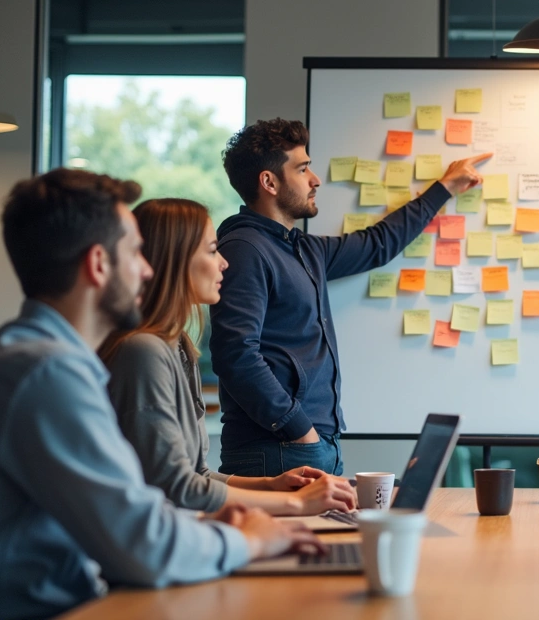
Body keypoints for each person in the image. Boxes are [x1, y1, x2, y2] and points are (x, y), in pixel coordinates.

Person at [0, 169, 323, 620]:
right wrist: (247, 541)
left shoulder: (37, 357)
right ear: (99, 264)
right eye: (135, 252)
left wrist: (208, 528)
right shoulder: (46, 372)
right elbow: (144, 544)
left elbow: (135, 515)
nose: (148, 269)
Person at [210, 118, 488, 476]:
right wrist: (299, 428)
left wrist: (445, 187)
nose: (315, 180)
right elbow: (236, 354)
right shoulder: (246, 249)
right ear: (269, 182)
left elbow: (377, 244)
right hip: (278, 448)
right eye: (303, 169)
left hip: (308, 444)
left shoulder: (302, 249)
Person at [100, 198, 357, 516]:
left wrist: (271, 484)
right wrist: (298, 502)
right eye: (212, 251)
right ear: (176, 259)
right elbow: (176, 487)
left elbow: (198, 475)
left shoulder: (180, 346)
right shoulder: (143, 352)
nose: (224, 263)